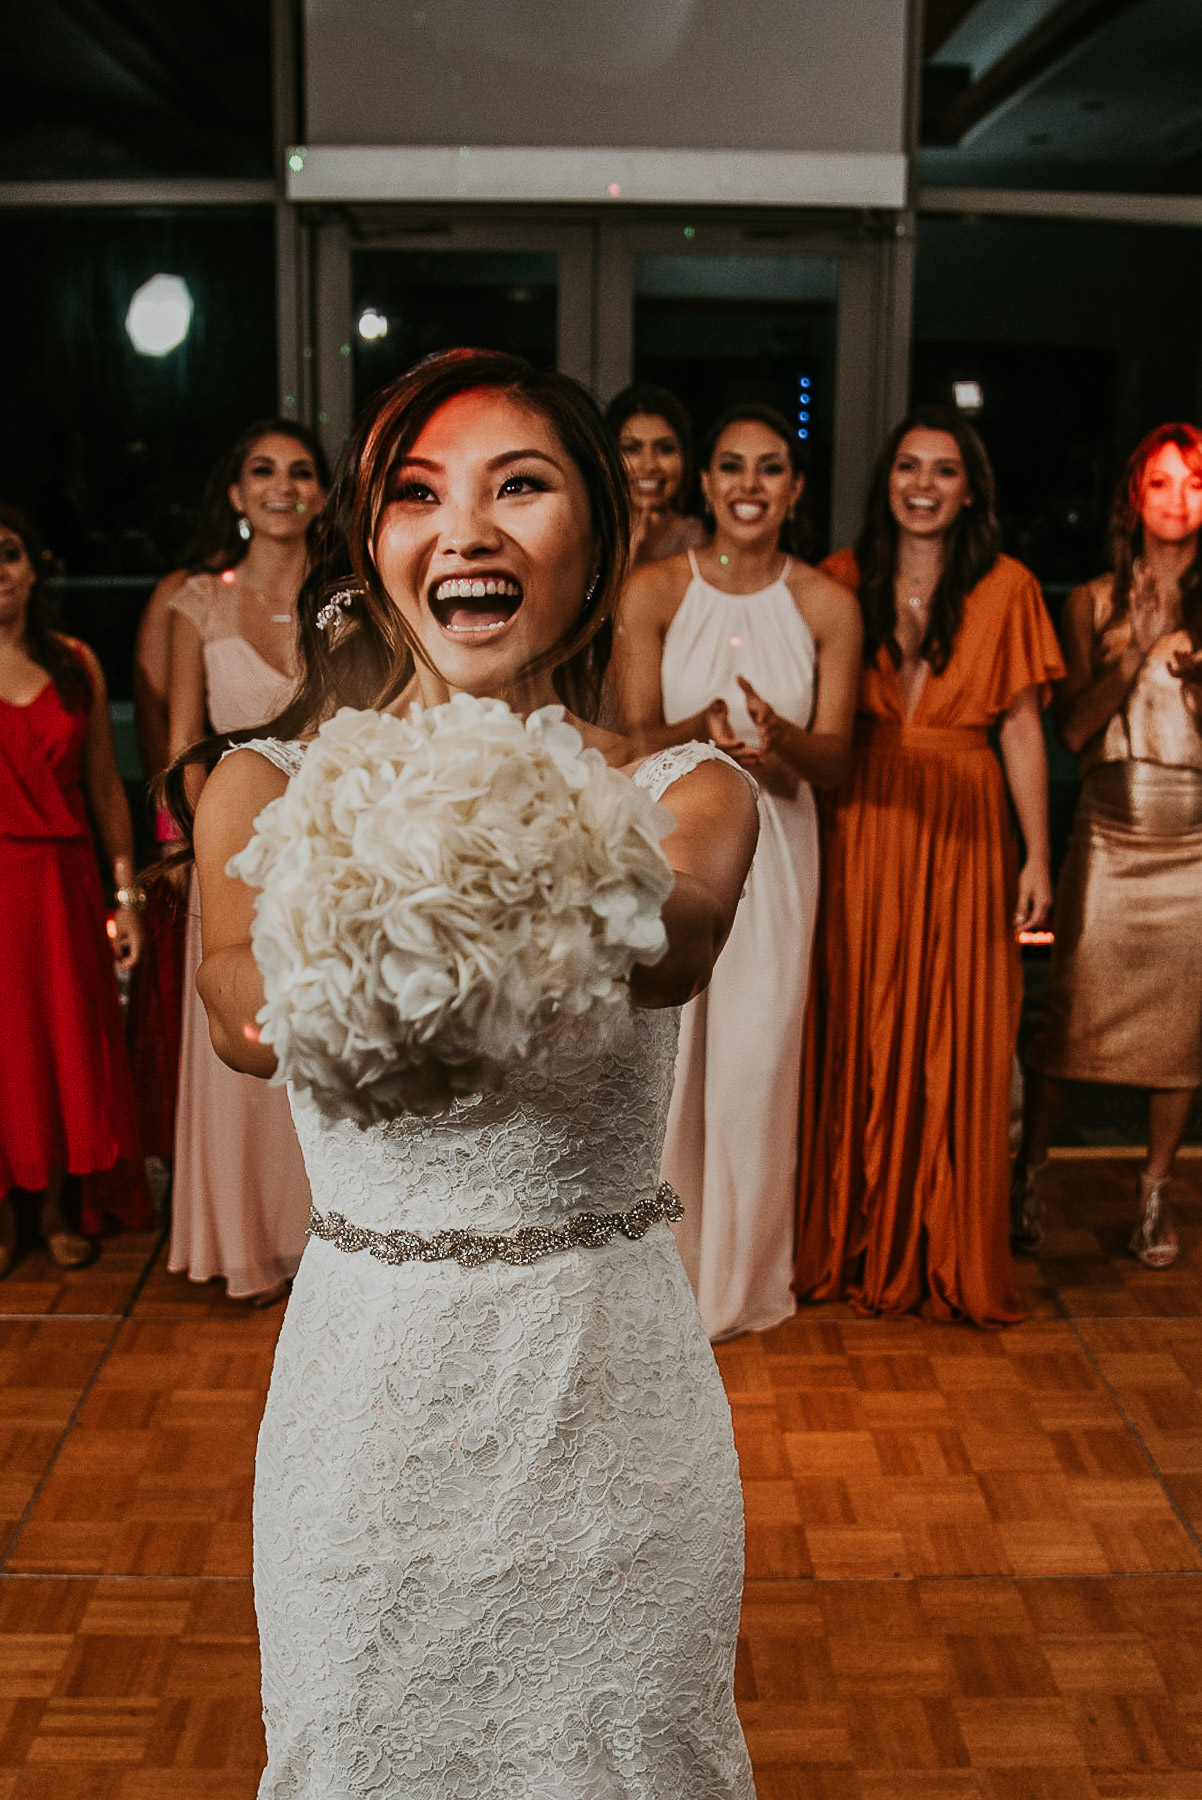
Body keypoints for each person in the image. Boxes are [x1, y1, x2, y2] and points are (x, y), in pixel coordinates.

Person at [169, 348, 761, 1797]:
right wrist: (381, 870)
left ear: (598, 539)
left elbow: (670, 945)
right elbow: (241, 1012)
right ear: (374, 550)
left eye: (523, 486)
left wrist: (442, 856)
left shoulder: (691, 792)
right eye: (420, 494)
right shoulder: (261, 785)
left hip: (606, 1409)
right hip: (368, 1407)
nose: (469, 529)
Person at [795, 406, 1064, 1325]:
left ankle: (943, 1238)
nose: (923, 485)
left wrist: (1039, 853)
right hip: (864, 813)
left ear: (971, 488)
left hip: (963, 815)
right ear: (887, 480)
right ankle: (858, 1234)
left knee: (958, 1025)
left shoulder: (1010, 585)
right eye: (909, 466)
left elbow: (1023, 725)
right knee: (862, 1020)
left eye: (944, 471)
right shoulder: (838, 579)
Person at [613, 404, 862, 1339]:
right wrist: (703, 731)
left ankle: (745, 1282)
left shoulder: (828, 603)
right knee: (666, 1069)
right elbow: (632, 739)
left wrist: (783, 739)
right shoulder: (653, 591)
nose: (749, 485)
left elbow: (836, 765)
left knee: (758, 1067)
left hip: (782, 851)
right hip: (670, 843)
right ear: (707, 486)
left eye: (770, 468)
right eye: (731, 466)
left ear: (795, 490)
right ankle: (657, 1279)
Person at [1016, 423, 1202, 1267]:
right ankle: (1030, 1174)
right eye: (1161, 482)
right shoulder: (1090, 599)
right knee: (1070, 1017)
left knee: (1182, 1026)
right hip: (1111, 824)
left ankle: (1155, 1194)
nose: (1178, 500)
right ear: (1135, 494)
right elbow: (1072, 729)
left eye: (1194, 484)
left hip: (1194, 835)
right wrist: (1133, 656)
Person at [165, 419, 329, 1305]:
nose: (282, 485)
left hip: (329, 858)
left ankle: (322, 1240)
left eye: (302, 471)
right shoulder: (197, 604)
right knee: (248, 1028)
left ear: (323, 495)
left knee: (315, 1037)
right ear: (236, 493)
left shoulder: (348, 599)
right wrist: (225, 847)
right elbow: (186, 745)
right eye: (263, 470)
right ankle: (247, 1244)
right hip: (232, 858)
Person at [0, 505, 152, 1271]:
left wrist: (125, 898)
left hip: (60, 889)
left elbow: (104, 790)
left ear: (34, 567)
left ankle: (59, 1205)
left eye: (8, 554)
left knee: (58, 1045)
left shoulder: (74, 663)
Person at [605, 382, 707, 566]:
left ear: (686, 458)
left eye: (665, 449)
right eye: (631, 449)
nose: (649, 465)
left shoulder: (705, 540)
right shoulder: (589, 538)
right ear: (607, 458)